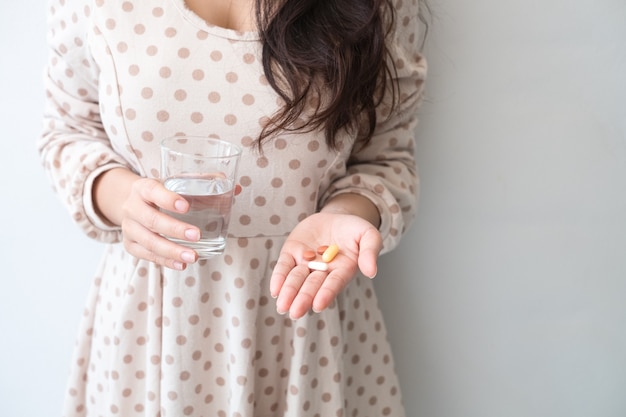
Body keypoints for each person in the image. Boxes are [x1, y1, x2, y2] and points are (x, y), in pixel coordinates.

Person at [39, 0, 427, 415]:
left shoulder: (380, 7)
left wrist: (343, 217)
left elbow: (386, 161)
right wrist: (124, 201)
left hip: (306, 310)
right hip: (149, 327)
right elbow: (68, 134)